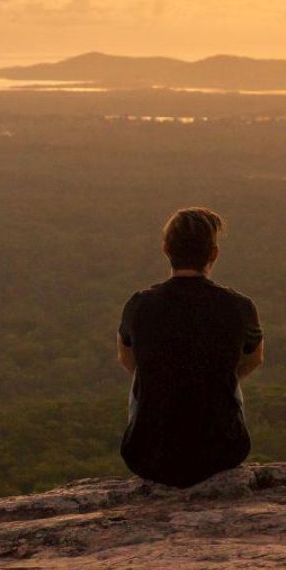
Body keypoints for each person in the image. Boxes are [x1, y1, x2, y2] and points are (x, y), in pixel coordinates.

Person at [117, 207, 264, 487]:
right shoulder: (240, 307)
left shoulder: (139, 305)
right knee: (228, 376)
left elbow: (128, 359)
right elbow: (254, 359)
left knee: (143, 375)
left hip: (148, 456)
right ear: (213, 254)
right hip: (221, 454)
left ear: (165, 250)